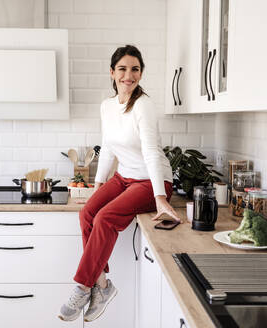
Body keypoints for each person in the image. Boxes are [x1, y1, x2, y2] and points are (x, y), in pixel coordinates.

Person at [58, 45, 182, 323]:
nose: (129, 75)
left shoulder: (144, 105)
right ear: (112, 72)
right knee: (87, 213)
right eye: (123, 69)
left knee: (105, 218)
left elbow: (151, 150)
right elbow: (110, 148)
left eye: (135, 69)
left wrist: (161, 197)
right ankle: (102, 284)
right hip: (123, 177)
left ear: (141, 73)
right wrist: (99, 183)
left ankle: (83, 286)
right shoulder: (107, 106)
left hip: (151, 181)